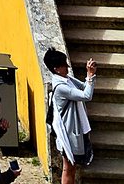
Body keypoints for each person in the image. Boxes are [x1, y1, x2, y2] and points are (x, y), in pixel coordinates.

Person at [44, 48, 96, 181]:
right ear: (56, 69)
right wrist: (90, 76)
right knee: (68, 167)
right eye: (64, 64)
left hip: (71, 131)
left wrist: (90, 77)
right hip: (67, 133)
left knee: (72, 167)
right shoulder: (61, 87)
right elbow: (86, 95)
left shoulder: (67, 79)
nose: (67, 66)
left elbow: (84, 88)